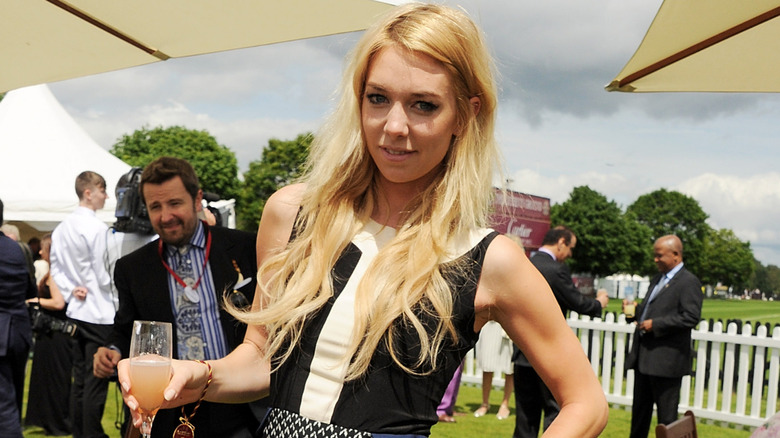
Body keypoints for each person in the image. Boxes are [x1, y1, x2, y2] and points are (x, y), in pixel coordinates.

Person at [118, 4, 609, 437]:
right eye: (378, 98)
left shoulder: (485, 259)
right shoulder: (293, 214)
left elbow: (586, 403)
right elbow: (261, 359)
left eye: (424, 105)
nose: (394, 126)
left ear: (465, 115)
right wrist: (198, 375)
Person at [93, 157, 262, 437]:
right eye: (155, 207)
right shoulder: (132, 268)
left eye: (174, 203)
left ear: (197, 200)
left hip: (238, 406)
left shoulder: (244, 248)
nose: (165, 216)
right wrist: (111, 349)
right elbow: (126, 330)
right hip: (167, 408)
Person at [513, 225, 608, 437]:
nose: (570, 254)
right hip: (549, 356)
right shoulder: (555, 270)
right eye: (571, 247)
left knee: (525, 419)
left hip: (522, 354)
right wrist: (599, 303)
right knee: (556, 415)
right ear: (561, 242)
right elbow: (577, 302)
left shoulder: (524, 264)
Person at [50, 170, 114, 438]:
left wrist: (68, 289)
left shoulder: (62, 227)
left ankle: (80, 432)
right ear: (88, 192)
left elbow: (55, 266)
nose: (106, 196)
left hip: (77, 310)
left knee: (80, 380)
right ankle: (91, 433)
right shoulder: (97, 229)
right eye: (102, 191)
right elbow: (104, 273)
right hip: (100, 312)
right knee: (95, 380)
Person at [626, 235, 703, 438]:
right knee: (639, 418)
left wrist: (656, 324)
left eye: (659, 256)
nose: (655, 260)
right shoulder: (657, 279)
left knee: (667, 421)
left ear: (676, 255)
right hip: (644, 360)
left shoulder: (688, 282)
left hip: (667, 363)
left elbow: (690, 317)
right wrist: (635, 312)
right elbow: (651, 309)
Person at [25, 234, 74, 436]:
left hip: (56, 336)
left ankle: (57, 422)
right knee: (50, 380)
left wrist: (33, 301)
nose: (40, 252)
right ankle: (50, 421)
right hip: (52, 336)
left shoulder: (55, 276)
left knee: (55, 381)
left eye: (43, 249)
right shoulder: (61, 273)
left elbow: (58, 302)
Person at [0, 197, 35, 438]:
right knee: (12, 393)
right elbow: (30, 289)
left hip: (2, 334)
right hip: (19, 331)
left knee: (4, 405)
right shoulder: (16, 248)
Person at [473, 321, 514, 420]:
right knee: (487, 364)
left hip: (509, 320)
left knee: (510, 366)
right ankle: (485, 403)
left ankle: (505, 404)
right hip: (491, 322)